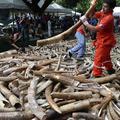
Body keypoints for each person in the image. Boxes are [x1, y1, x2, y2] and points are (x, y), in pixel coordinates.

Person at [80, 0, 116, 77]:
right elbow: (92, 14)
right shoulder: (103, 13)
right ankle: (110, 69)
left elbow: (96, 29)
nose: (103, 8)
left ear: (111, 8)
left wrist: (85, 23)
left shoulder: (109, 18)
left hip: (106, 41)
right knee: (106, 56)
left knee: (98, 57)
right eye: (103, 6)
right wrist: (92, 6)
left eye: (106, 6)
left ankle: (97, 74)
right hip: (102, 39)